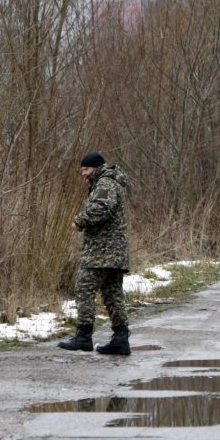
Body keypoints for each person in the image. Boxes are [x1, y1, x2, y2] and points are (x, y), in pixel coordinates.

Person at [58, 152, 132, 355]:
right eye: (82, 170)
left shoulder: (105, 183)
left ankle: (83, 337)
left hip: (102, 251)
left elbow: (101, 207)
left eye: (86, 170)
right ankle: (120, 338)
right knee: (113, 295)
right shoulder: (111, 181)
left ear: (96, 168)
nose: (83, 174)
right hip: (114, 252)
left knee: (84, 288)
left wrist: (79, 221)